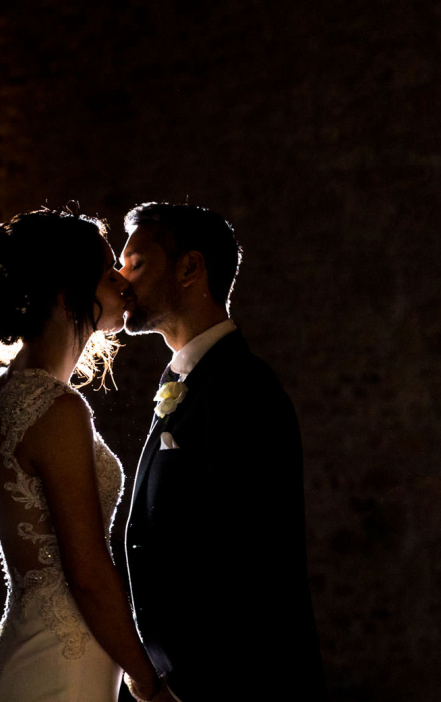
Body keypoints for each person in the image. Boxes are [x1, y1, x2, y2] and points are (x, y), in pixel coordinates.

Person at [118, 202, 328, 699]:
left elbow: (251, 563)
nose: (121, 281)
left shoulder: (243, 388)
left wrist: (189, 688)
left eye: (136, 264)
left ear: (189, 268)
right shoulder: (187, 378)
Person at [0, 208, 177, 702]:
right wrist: (147, 681)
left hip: (36, 648)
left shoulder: (9, 389)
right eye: (108, 273)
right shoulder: (57, 408)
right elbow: (87, 573)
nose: (123, 281)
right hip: (62, 666)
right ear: (68, 293)